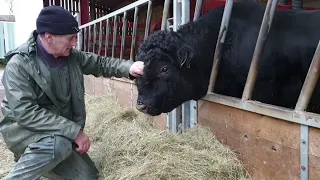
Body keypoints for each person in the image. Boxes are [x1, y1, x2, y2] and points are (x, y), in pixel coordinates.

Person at [0, 5, 144, 180]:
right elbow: (26, 113)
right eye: (71, 38)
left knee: (89, 176)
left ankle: (36, 161)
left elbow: (100, 63)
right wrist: (75, 132)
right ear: (49, 37)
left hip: (58, 132)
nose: (75, 43)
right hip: (25, 132)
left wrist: (130, 67)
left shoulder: (71, 56)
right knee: (59, 145)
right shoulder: (19, 65)